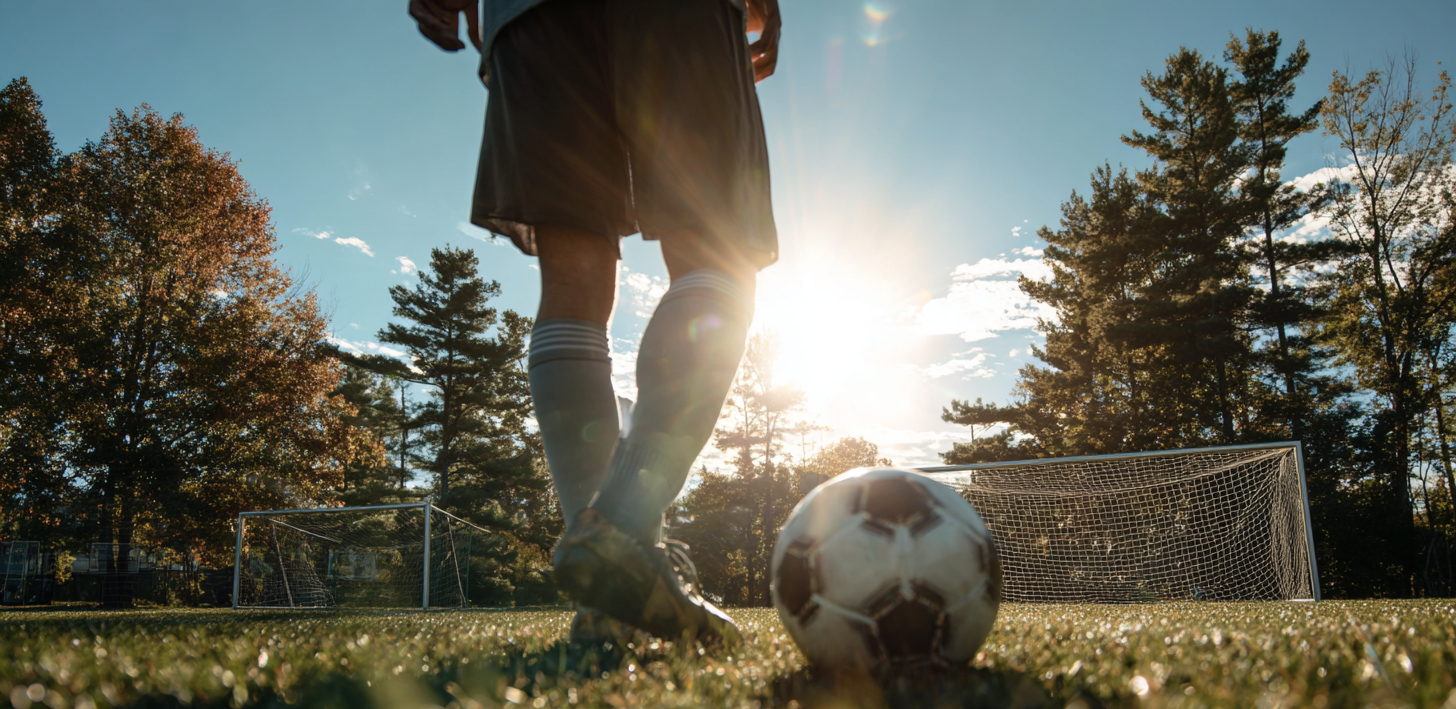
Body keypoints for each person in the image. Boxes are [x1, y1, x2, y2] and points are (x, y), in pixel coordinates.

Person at [408, 0, 782, 646]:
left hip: (530, 15)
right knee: (716, 253)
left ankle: (608, 596)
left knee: (573, 283)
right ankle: (623, 527)